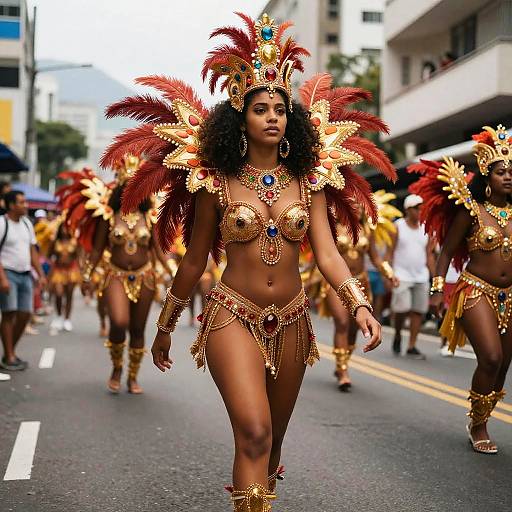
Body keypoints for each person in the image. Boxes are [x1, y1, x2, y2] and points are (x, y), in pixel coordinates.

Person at [101, 12, 396, 510]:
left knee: (274, 443)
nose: (272, 117)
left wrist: (360, 304)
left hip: (294, 320)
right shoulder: (214, 180)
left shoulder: (310, 180)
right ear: (242, 118)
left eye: (280, 108)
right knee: (254, 432)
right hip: (231, 314)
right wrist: (167, 324)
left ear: (291, 119)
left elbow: (325, 252)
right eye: (261, 109)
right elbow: (194, 261)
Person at [409, 124, 512, 454]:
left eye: (511, 171)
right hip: (476, 290)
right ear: (487, 175)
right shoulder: (471, 211)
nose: (508, 177)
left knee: (502, 368)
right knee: (491, 358)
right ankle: (478, 426)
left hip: (510, 295)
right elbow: (447, 252)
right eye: (500, 172)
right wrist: (438, 290)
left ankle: (482, 417)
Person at [58, 160, 172, 394]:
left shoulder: (149, 216)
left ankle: (132, 377)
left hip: (145, 277)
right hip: (115, 275)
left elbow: (159, 251)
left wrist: (174, 272)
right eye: (128, 185)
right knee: (119, 323)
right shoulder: (108, 216)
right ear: (120, 187)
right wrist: (87, 275)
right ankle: (117, 369)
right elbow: (98, 250)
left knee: (138, 330)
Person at [314, 193, 400, 391]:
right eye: (353, 204)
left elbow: (376, 259)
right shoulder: (333, 229)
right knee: (342, 323)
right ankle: (342, 369)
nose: (358, 208)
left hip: (361, 284)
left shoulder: (366, 231)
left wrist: (388, 273)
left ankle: (344, 359)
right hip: (337, 285)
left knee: (355, 328)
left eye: (360, 206)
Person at [0, 190, 46, 370]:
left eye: (25, 202)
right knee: (9, 313)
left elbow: (32, 252)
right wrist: (2, 278)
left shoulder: (27, 224)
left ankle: (9, 352)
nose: (25, 205)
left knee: (25, 313)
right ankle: (9, 356)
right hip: (8, 273)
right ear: (11, 205)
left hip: (25, 274)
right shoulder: (2, 224)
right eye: (21, 202)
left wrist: (41, 275)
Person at [389, 194, 436, 359]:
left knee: (418, 311)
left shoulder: (427, 229)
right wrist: (389, 274)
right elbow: (390, 252)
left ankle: (411, 345)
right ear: (408, 210)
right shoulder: (397, 227)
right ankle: (397, 334)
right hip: (401, 275)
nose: (421, 211)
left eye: (423, 208)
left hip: (421, 276)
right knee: (402, 309)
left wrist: (435, 277)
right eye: (417, 208)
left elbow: (429, 254)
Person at [48, 221, 80, 333]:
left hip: (71, 271)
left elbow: (78, 257)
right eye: (63, 228)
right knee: (58, 294)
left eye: (67, 228)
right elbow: (49, 255)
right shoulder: (55, 241)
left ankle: (67, 319)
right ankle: (58, 316)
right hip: (58, 271)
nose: (65, 230)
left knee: (69, 296)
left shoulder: (75, 242)